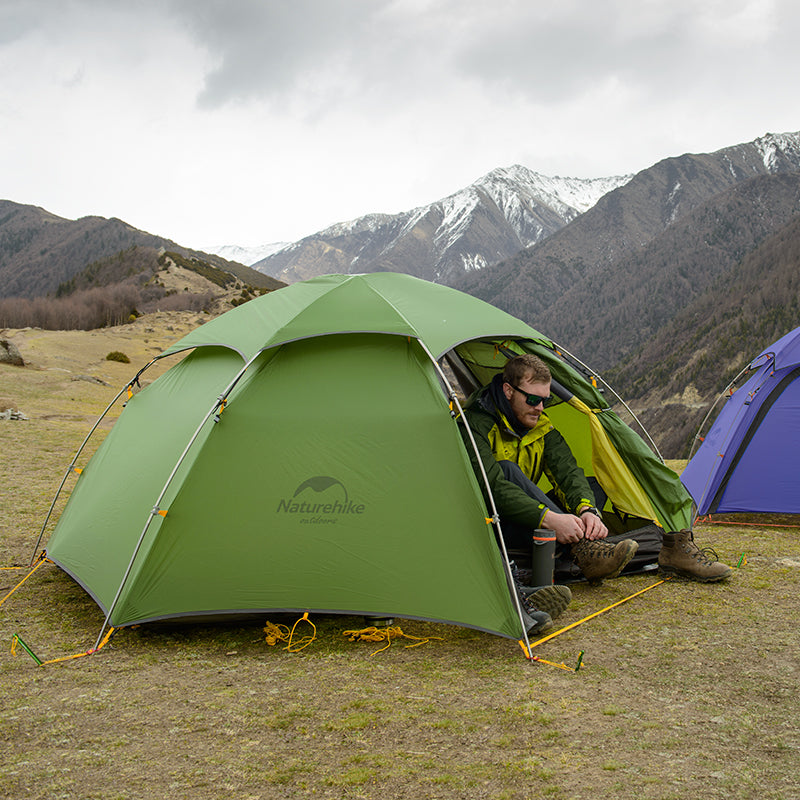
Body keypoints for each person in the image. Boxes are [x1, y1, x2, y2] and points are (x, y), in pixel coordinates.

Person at [459, 354, 732, 632]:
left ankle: (598, 546)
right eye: (533, 400)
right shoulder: (476, 424)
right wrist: (550, 519)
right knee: (507, 471)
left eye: (546, 400)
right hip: (491, 521)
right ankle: (582, 550)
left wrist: (586, 510)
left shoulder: (541, 425)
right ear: (508, 391)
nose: (540, 407)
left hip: (529, 517)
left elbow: (567, 472)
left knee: (593, 486)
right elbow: (493, 487)